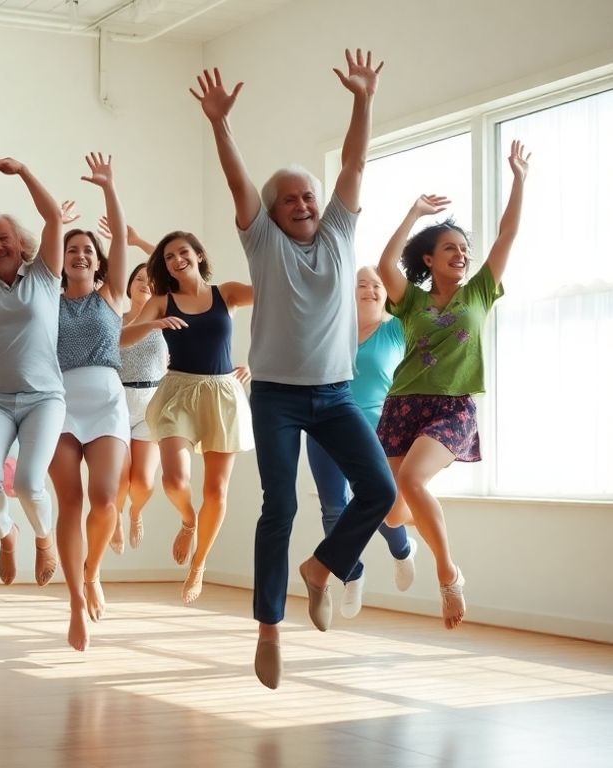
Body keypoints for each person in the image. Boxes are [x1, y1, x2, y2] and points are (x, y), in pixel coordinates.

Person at [194, 51, 396, 689]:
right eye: (289, 200)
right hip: (277, 398)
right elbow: (237, 186)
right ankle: (268, 629)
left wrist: (362, 100)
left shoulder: (339, 233)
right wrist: (221, 125)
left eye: (308, 195)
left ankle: (322, 568)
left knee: (381, 491)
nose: (303, 204)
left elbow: (356, 163)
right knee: (277, 506)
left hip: (336, 397)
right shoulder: (264, 243)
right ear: (273, 212)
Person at [376, 140, 530, 631]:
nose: (461, 255)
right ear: (428, 258)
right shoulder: (413, 302)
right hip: (401, 405)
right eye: (450, 248)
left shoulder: (481, 291)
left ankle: (448, 575)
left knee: (412, 481)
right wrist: (413, 211)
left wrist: (519, 180)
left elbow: (507, 234)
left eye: (464, 249)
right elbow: (385, 266)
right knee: (395, 510)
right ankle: (408, 536)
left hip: (452, 408)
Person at [127, 231, 254, 606]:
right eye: (168, 257)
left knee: (216, 491)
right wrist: (153, 325)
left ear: (199, 254)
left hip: (221, 395)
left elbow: (273, 296)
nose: (177, 260)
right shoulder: (162, 300)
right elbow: (121, 339)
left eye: (183, 252)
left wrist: (257, 363)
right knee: (174, 478)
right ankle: (188, 519)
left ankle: (199, 563)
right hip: (178, 393)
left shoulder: (226, 293)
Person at [0, 158, 67, 588]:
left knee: (27, 483)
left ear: (20, 243)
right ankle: (7, 535)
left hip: (44, 398)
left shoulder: (43, 274)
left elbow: (54, 217)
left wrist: (22, 172)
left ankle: (44, 540)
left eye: (3, 238)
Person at [49, 152, 131, 651]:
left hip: (105, 406)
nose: (79, 255)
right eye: (71, 250)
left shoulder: (112, 295)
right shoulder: (47, 299)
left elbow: (121, 239)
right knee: (70, 503)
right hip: (59, 406)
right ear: (60, 260)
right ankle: (76, 602)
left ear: (97, 261)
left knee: (104, 501)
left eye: (86, 250)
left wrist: (108, 187)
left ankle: (92, 569)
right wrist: (54, 224)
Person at [305, 266, 418, 619]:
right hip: (325, 425)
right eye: (361, 284)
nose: (369, 289)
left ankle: (402, 551)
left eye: (377, 285)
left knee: (379, 501)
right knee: (333, 507)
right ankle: (351, 575)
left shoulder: (396, 329)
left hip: (378, 429)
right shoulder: (331, 330)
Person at [99, 217, 165, 554]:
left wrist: (139, 241)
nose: (144, 283)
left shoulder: (164, 319)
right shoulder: (116, 318)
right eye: (138, 278)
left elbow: (169, 267)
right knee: (121, 478)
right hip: (119, 402)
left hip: (151, 402)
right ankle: (118, 519)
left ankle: (136, 511)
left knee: (143, 481)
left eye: (150, 280)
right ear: (129, 285)